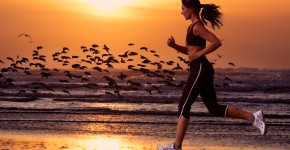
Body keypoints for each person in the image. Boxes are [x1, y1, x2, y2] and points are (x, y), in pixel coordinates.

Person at [157, 0, 267, 150]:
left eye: (183, 8)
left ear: (191, 9)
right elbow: (190, 52)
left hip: (201, 68)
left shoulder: (198, 27)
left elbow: (216, 42)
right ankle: (254, 117)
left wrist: (198, 55)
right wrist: (174, 45)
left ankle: (176, 147)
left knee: (183, 106)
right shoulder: (191, 27)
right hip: (202, 69)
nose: (181, 11)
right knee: (214, 108)